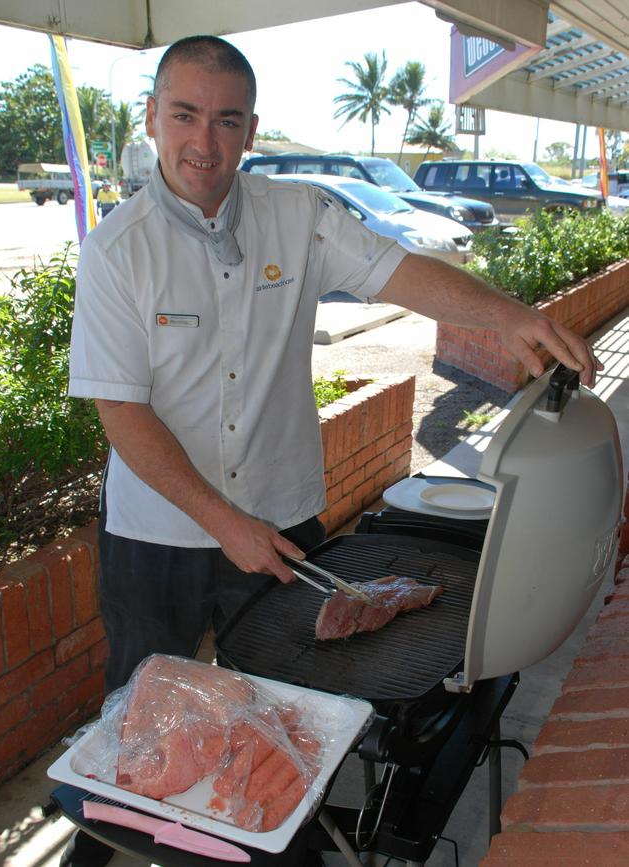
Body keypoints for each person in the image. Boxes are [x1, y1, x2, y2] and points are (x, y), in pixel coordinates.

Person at [63, 35, 600, 867]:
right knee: (140, 701)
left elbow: (399, 271)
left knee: (298, 700)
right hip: (158, 531)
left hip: (279, 510)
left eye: (227, 120)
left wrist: (508, 316)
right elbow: (122, 415)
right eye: (186, 115)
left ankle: (281, 825)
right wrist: (221, 520)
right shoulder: (117, 251)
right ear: (153, 119)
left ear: (250, 130)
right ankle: (99, 842)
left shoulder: (299, 214)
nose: (205, 141)